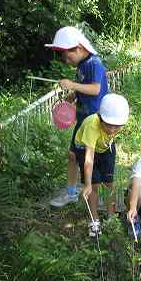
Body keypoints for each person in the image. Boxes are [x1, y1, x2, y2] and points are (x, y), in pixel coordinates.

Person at [45, 26, 109, 208]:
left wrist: (72, 85)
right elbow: (84, 88)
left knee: (93, 160)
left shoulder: (94, 63)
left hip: (94, 122)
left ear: (79, 48)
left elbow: (96, 89)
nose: (66, 60)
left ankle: (98, 196)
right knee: (73, 155)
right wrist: (73, 96)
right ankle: (71, 193)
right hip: (82, 120)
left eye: (67, 55)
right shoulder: (81, 65)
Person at [74, 93, 130, 237]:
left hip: (105, 147)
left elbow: (111, 130)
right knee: (94, 185)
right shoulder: (92, 125)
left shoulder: (115, 121)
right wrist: (86, 183)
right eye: (108, 125)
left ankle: (111, 217)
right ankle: (94, 220)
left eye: (116, 127)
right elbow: (89, 159)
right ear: (100, 116)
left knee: (109, 182)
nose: (112, 130)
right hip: (85, 149)